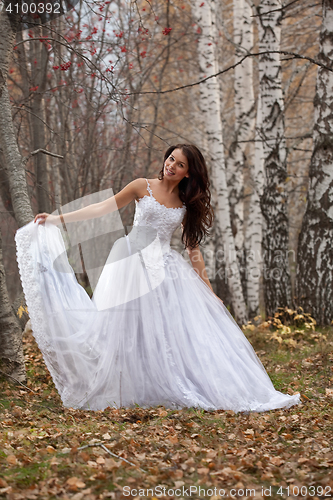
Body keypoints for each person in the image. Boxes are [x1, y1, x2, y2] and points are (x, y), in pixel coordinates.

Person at [15, 144, 301, 412]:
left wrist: (209, 290)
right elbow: (104, 207)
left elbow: (193, 250)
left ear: (188, 172)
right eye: (171, 159)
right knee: (122, 328)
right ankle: (125, 385)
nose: (171, 166)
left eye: (180, 164)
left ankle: (167, 382)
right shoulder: (143, 186)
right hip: (129, 264)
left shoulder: (185, 204)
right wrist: (58, 218)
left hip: (164, 269)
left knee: (165, 331)